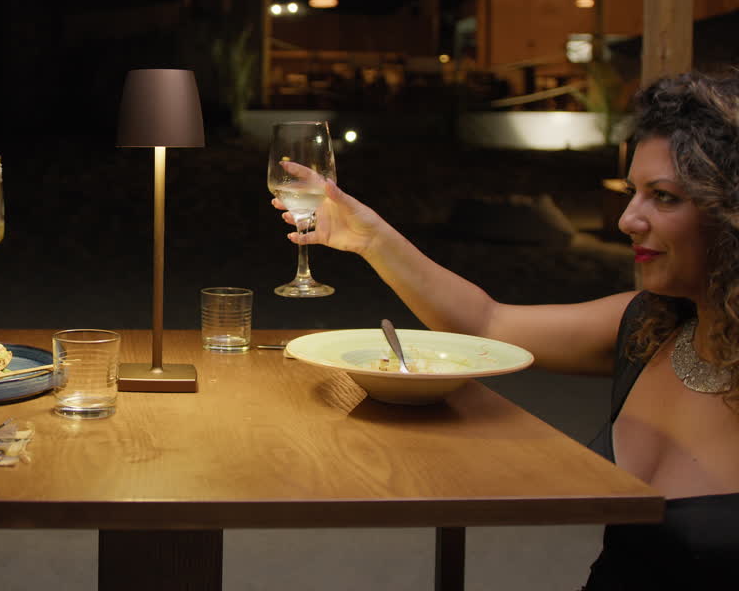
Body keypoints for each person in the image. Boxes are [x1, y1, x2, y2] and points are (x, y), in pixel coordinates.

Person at [274, 71, 739, 589]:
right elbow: (485, 322)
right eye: (633, 192)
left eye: (665, 197)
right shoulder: (651, 326)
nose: (628, 219)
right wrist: (370, 239)